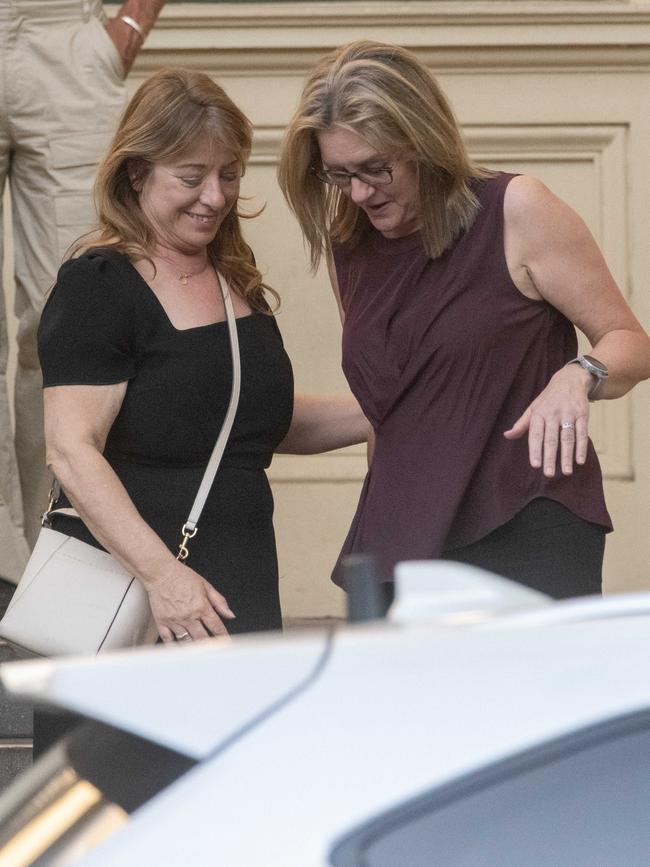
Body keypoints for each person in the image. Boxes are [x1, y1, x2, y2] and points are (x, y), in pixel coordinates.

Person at [33, 67, 368, 754]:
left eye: (230, 174)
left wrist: (385, 414)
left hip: (233, 587)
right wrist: (164, 576)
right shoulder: (100, 283)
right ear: (136, 174)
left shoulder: (230, 279)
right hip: (137, 601)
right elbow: (71, 447)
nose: (214, 197)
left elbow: (255, 422)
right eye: (191, 176)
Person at [278, 40, 650, 599]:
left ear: (423, 142)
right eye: (340, 174)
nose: (359, 193)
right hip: (399, 536)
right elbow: (392, 404)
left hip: (522, 521)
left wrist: (579, 375)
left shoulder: (516, 208)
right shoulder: (350, 246)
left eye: (376, 169)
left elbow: (630, 342)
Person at [0, 0, 165, 582]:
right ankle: (4, 569)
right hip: (70, 48)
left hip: (66, 40)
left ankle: (57, 567)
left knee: (70, 321)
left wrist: (128, 25)